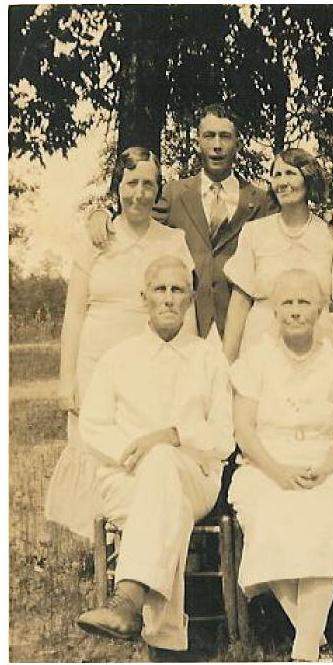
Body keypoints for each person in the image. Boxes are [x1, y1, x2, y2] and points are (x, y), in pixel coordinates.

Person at [76, 256, 233, 654]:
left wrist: (175, 436)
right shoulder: (118, 358)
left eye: (177, 290)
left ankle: (127, 598)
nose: (168, 299)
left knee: (164, 464)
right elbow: (93, 425)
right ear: (143, 296)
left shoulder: (208, 358)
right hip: (125, 478)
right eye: (160, 289)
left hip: (194, 477)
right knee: (165, 500)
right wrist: (134, 455)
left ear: (190, 297)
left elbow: (224, 437)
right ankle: (163, 641)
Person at [87, 105, 333, 341]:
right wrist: (101, 214)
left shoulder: (259, 200)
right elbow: (137, 222)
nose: (217, 145)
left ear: (237, 143)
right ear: (198, 142)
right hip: (186, 325)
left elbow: (294, 223)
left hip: (241, 328)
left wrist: (330, 215)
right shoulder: (173, 194)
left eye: (225, 136)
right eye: (209, 136)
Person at [228, 268, 333, 662]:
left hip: (326, 465)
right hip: (265, 465)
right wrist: (277, 471)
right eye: (287, 302)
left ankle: (303, 648)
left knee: (323, 513)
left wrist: (325, 468)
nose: (295, 311)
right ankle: (313, 643)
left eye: (304, 302)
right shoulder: (255, 362)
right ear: (275, 312)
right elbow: (244, 428)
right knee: (271, 514)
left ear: (320, 310)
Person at [44, 147, 195, 541]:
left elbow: (187, 314)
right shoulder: (97, 238)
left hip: (151, 365)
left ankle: (141, 538)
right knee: (97, 448)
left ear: (159, 190)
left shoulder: (173, 241)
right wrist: (67, 380)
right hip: (97, 362)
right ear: (117, 187)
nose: (140, 194)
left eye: (149, 184)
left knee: (141, 450)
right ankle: (104, 547)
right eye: (132, 183)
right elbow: (74, 314)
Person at [223, 148, 333, 362]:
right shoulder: (254, 233)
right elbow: (239, 302)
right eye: (277, 175)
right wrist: (228, 364)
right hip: (262, 348)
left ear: (308, 179)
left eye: (290, 173)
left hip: (318, 348)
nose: (282, 182)